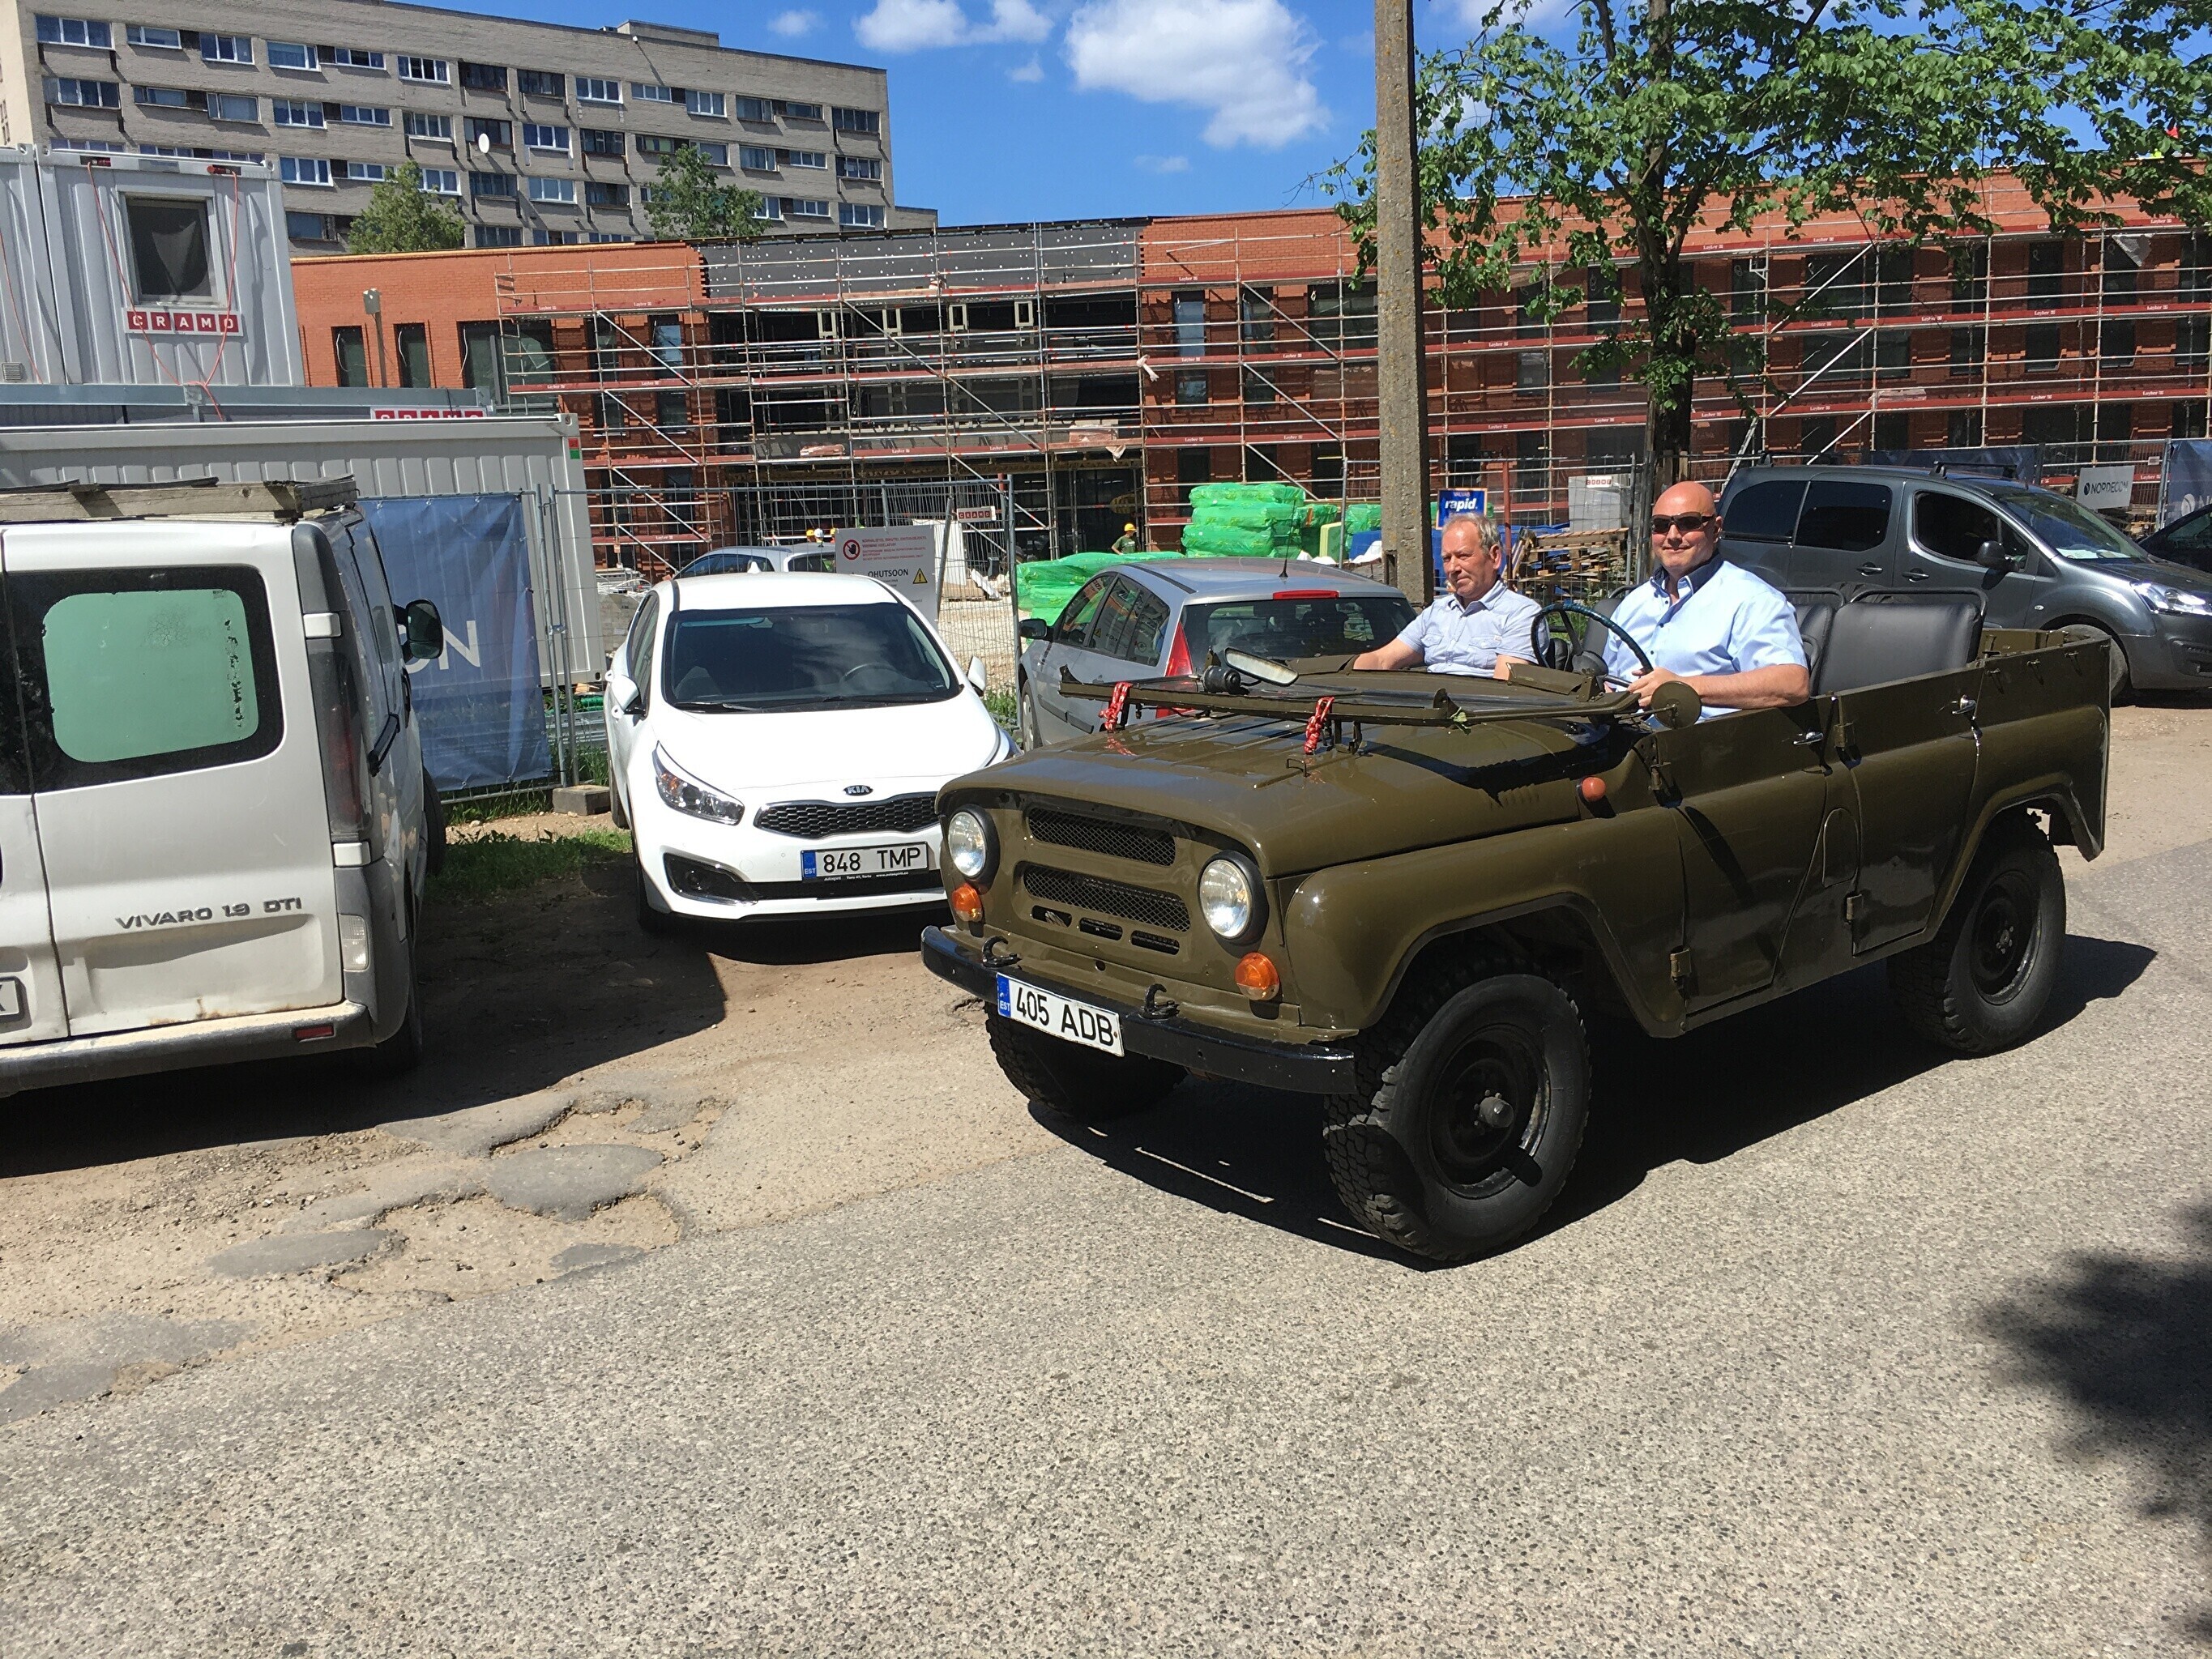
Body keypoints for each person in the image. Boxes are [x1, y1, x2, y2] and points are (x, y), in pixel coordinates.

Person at [1604, 481, 1809, 714]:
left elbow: (1793, 684)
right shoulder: (1633, 604)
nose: (1672, 535)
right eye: (1661, 525)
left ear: (1716, 529)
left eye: (1688, 523)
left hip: (1707, 734)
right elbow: (1609, 680)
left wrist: (1683, 688)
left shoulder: (1753, 600)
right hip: (1623, 731)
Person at [1352, 514, 1543, 678]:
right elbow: (1383, 659)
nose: (1453, 568)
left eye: (1463, 556)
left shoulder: (1521, 614)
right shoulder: (1437, 612)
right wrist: (1343, 679)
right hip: (1429, 704)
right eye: (1446, 558)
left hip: (1479, 708)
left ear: (1494, 557)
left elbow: (1504, 688)